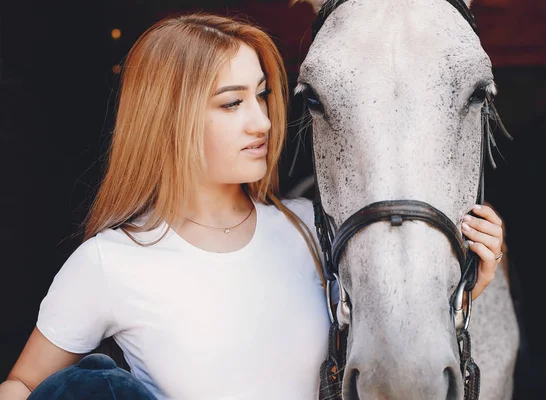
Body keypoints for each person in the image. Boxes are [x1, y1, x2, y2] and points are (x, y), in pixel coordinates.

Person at [0, 12, 506, 400]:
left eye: (262, 96)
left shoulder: (312, 228)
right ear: (168, 119)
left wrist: (463, 290)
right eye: (231, 103)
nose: (262, 122)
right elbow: (21, 387)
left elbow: (391, 346)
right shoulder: (108, 262)